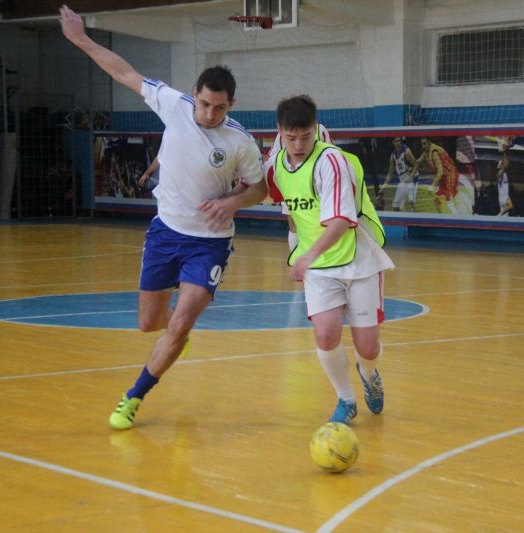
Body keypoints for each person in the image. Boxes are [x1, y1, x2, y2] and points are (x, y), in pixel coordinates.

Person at [60, 5, 267, 430]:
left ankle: (133, 397)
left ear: (232, 104)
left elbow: (259, 189)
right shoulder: (173, 104)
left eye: (219, 108)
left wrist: (232, 203)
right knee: (149, 324)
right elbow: (123, 71)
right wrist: (81, 38)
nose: (209, 114)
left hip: (209, 243)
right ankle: (175, 337)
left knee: (180, 323)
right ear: (195, 94)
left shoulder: (240, 141)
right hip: (165, 233)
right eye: (205, 104)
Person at [268, 95, 393, 425]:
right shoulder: (277, 164)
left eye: (305, 136)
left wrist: (307, 254)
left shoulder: (332, 161)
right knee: (325, 336)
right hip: (320, 267)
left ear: (316, 128)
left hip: (357, 260)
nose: (298, 145)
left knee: (367, 348)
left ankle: (369, 374)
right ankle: (346, 399)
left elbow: (339, 221)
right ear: (279, 131)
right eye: (291, 137)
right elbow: (273, 199)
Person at [265, 122, 331, 251]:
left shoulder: (320, 129)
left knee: (317, 223)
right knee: (294, 223)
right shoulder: (283, 133)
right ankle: (295, 258)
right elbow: (273, 157)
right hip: (291, 184)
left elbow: (330, 153)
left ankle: (317, 255)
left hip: (315, 185)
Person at [382, 137, 418, 211]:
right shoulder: (393, 155)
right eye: (396, 141)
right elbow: (390, 174)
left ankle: (416, 216)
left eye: (399, 141)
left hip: (411, 178)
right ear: (393, 142)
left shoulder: (406, 151)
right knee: (395, 206)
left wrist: (410, 176)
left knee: (411, 203)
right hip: (402, 180)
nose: (398, 143)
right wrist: (383, 187)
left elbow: (416, 164)